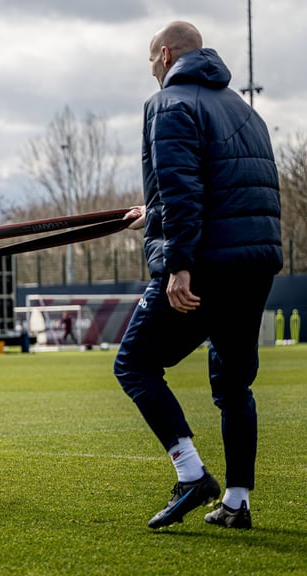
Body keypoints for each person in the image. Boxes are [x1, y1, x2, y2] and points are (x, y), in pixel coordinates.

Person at [114, 22, 282, 530]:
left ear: (165, 55)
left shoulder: (167, 104)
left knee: (134, 364)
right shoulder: (245, 110)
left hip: (206, 262)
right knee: (234, 385)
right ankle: (237, 502)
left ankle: (191, 474)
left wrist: (178, 264)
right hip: (255, 262)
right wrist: (154, 211)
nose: (151, 70)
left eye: (151, 60)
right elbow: (220, 185)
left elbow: (183, 187)